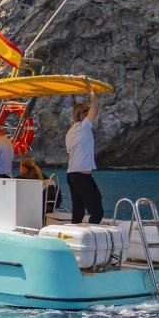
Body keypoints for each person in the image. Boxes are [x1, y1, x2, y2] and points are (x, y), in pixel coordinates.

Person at [66, 78, 103, 224]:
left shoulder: (70, 132)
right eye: (86, 111)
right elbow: (96, 103)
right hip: (81, 176)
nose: (89, 113)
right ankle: (91, 236)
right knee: (97, 212)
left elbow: (70, 154)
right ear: (80, 115)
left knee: (78, 212)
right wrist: (88, 84)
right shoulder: (84, 126)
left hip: (72, 175)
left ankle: (73, 235)